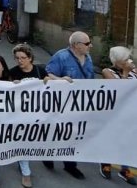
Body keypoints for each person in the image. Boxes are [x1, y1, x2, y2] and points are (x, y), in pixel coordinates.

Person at [42, 31, 94, 179]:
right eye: (87, 43)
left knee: (73, 135)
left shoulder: (88, 58)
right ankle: (48, 155)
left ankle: (70, 165)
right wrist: (60, 79)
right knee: (57, 132)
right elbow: (48, 75)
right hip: (61, 104)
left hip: (79, 104)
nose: (90, 45)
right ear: (76, 45)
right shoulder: (61, 56)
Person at [0, 55, 32, 188]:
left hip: (10, 121)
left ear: (3, 66)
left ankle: (26, 173)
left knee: (20, 145)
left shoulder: (12, 79)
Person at [99, 46, 137, 184]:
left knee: (127, 142)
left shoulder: (135, 72)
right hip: (113, 113)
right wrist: (126, 72)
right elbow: (119, 90)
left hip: (131, 113)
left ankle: (124, 169)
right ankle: (105, 163)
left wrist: (132, 71)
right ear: (118, 61)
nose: (128, 61)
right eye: (125, 59)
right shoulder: (107, 72)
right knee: (111, 139)